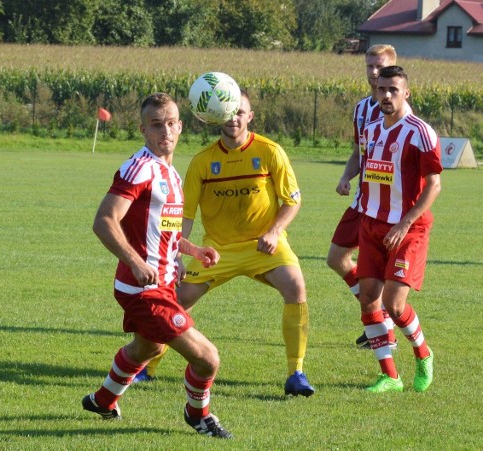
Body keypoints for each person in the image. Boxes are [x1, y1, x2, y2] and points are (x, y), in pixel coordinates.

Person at [135, 91, 315, 397]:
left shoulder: (270, 151)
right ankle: (144, 369)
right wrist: (178, 253)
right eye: (228, 113)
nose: (234, 119)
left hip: (264, 246)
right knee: (174, 301)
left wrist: (274, 232)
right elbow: (184, 214)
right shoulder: (204, 161)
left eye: (240, 113)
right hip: (216, 252)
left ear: (250, 116)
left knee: (296, 287)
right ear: (217, 117)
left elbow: (292, 201)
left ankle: (296, 373)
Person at [81, 92, 233, 439]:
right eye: (155, 125)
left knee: (148, 347)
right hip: (144, 288)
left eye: (170, 123)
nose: (164, 131)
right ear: (143, 130)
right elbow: (104, 221)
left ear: (180, 126)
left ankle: (103, 400)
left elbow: (161, 230)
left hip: (162, 281)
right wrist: (134, 261)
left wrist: (189, 250)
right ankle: (198, 416)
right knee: (208, 358)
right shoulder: (140, 168)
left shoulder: (170, 172)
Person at [358, 66, 442, 393]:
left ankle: (423, 353)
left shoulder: (420, 132)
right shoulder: (371, 129)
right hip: (372, 225)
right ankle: (390, 376)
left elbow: (434, 185)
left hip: (409, 228)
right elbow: (372, 175)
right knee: (368, 300)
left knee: (393, 304)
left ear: (406, 92)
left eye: (393, 89)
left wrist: (405, 221)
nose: (387, 95)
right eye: (381, 89)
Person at [328, 44, 402, 349]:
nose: (373, 72)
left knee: (380, 274)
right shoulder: (361, 109)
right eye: (369, 66)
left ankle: (382, 323)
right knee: (335, 258)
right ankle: (379, 314)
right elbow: (360, 152)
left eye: (380, 67)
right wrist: (347, 176)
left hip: (388, 208)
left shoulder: (398, 109)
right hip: (362, 201)